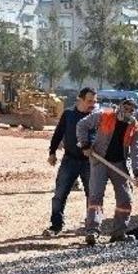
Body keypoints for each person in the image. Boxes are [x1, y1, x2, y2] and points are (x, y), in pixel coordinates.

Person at [76, 98, 138, 246]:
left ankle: (119, 233)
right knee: (96, 196)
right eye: (126, 108)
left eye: (131, 110)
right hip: (100, 160)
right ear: (120, 107)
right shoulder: (103, 115)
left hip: (119, 164)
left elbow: (137, 151)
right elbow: (82, 125)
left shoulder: (135, 127)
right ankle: (92, 231)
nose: (128, 112)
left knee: (125, 198)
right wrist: (85, 145)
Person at [43, 87, 98, 237]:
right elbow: (58, 133)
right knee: (59, 194)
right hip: (69, 160)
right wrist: (52, 152)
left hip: (90, 162)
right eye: (89, 101)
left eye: (94, 101)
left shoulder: (96, 117)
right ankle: (56, 225)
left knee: (93, 195)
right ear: (80, 100)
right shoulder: (68, 115)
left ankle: (91, 227)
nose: (92, 104)